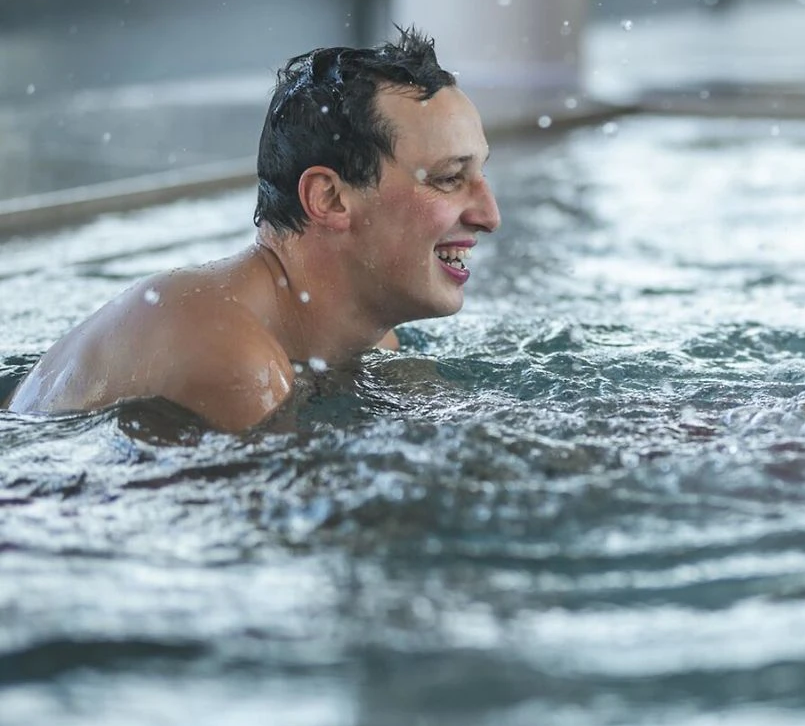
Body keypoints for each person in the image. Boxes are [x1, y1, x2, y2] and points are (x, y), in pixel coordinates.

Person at [6, 28, 500, 432]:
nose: (489, 215)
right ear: (329, 198)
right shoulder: (234, 359)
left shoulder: (368, 338)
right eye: (449, 178)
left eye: (480, 174)